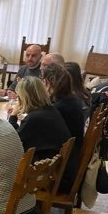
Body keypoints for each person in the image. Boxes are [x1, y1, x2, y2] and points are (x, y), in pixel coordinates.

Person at [8, 76, 71, 163]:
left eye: (19, 97)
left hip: (44, 169)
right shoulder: (51, 110)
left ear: (25, 98)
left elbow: (13, 142)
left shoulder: (34, 118)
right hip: (57, 163)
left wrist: (13, 116)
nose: (18, 101)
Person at [42, 63, 84, 193]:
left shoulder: (59, 108)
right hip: (70, 163)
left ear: (48, 83)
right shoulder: (71, 99)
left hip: (60, 175)